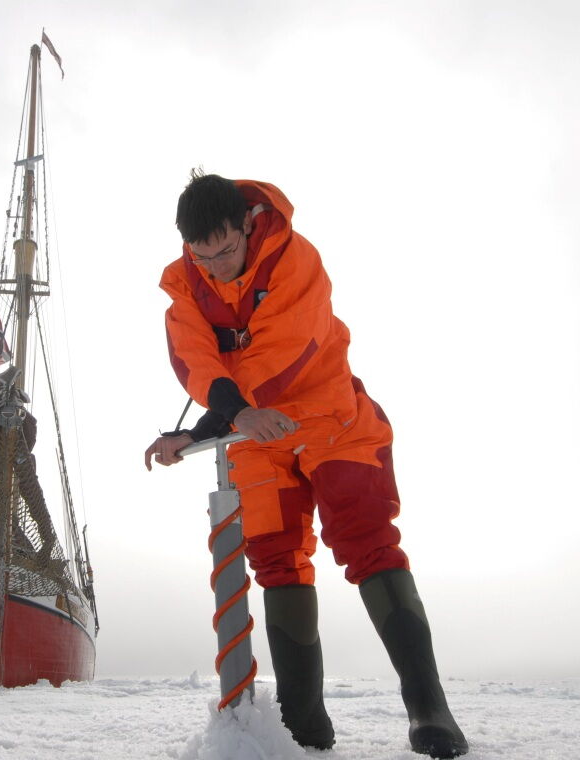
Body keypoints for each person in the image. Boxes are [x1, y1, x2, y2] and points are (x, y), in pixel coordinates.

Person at [144, 172, 468, 758]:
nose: (216, 266)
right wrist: (198, 430)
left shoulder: (295, 258)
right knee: (277, 562)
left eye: (226, 250)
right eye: (201, 254)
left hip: (330, 419)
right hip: (255, 435)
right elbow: (195, 357)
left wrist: (221, 420)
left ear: (246, 223)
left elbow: (283, 349)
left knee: (367, 543)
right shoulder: (185, 288)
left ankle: (428, 707)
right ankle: (303, 724)